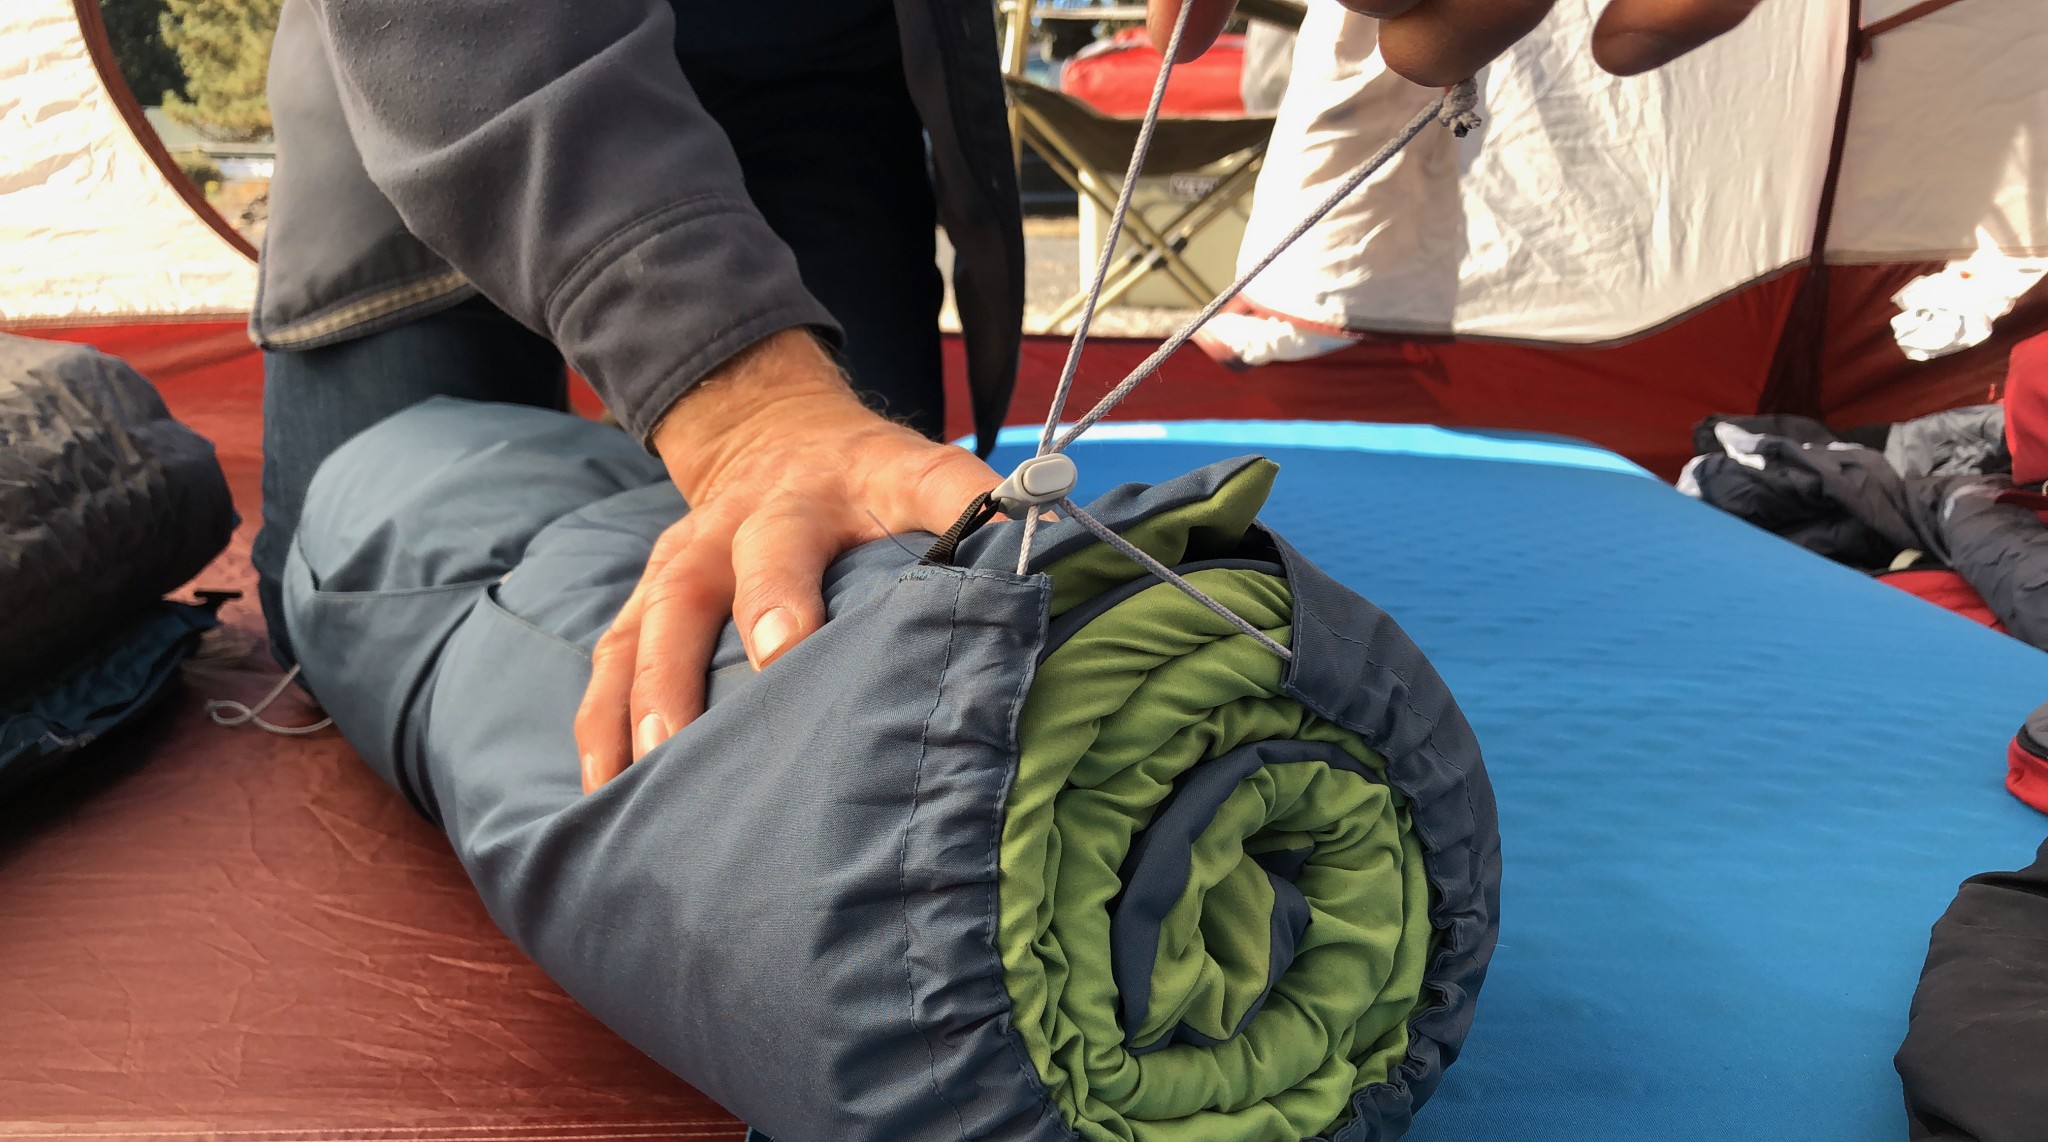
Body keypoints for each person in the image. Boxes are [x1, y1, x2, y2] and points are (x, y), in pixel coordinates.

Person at [253, 0, 1762, 793]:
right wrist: (744, 404)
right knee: (372, 579)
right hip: (444, 78)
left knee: (877, 611)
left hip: (825, 67)